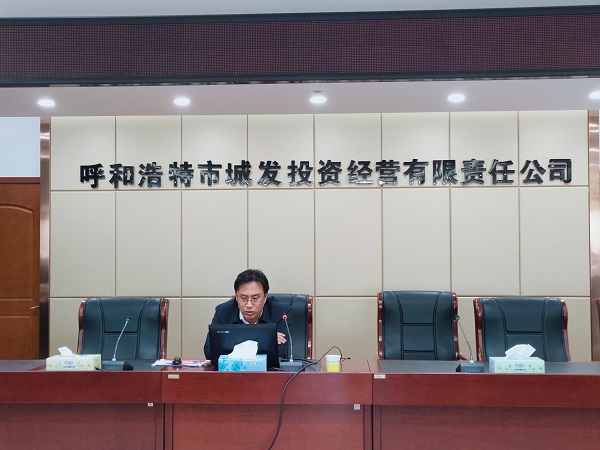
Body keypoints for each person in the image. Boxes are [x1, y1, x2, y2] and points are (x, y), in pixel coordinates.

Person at [203, 269, 291, 361]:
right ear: (236, 296)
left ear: (265, 297)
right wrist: (265, 338)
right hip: (232, 369)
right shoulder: (223, 311)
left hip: (269, 369)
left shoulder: (281, 312)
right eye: (243, 298)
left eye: (255, 298)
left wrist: (230, 341)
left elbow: (278, 352)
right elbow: (210, 351)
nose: (249, 305)